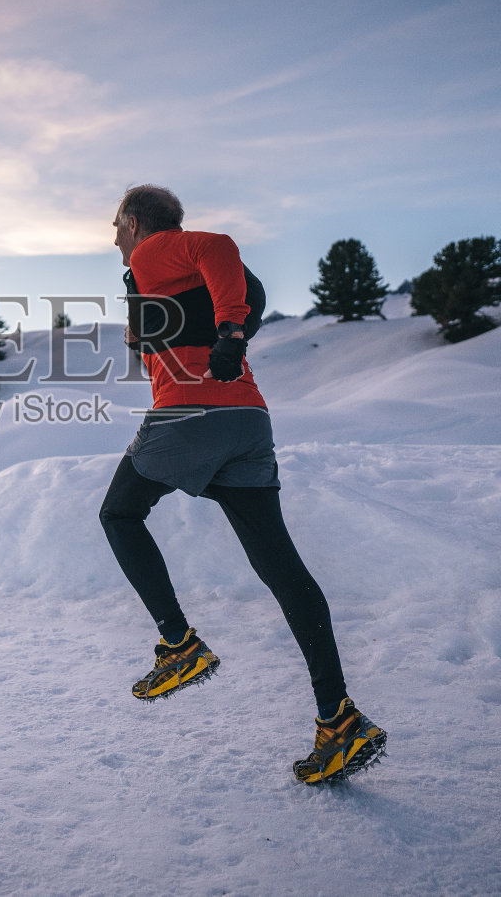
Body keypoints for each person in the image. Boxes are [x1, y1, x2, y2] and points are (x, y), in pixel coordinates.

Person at [99, 184, 386, 785]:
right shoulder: (169, 277)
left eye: (116, 225)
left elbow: (219, 246)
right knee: (282, 569)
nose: (113, 237)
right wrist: (206, 328)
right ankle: (339, 719)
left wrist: (230, 333)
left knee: (119, 514)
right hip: (246, 420)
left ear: (135, 221)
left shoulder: (158, 248)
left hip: (191, 413)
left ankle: (179, 645)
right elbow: (240, 289)